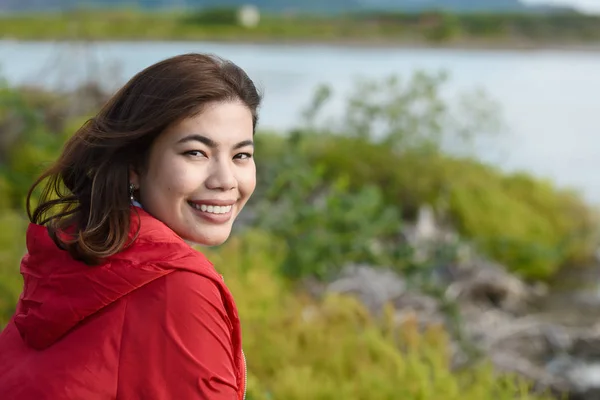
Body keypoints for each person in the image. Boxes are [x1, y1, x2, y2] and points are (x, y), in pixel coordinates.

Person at [0, 53, 261, 400]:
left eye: (240, 155)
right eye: (196, 153)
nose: (226, 180)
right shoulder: (175, 285)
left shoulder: (79, 251)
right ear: (134, 165)